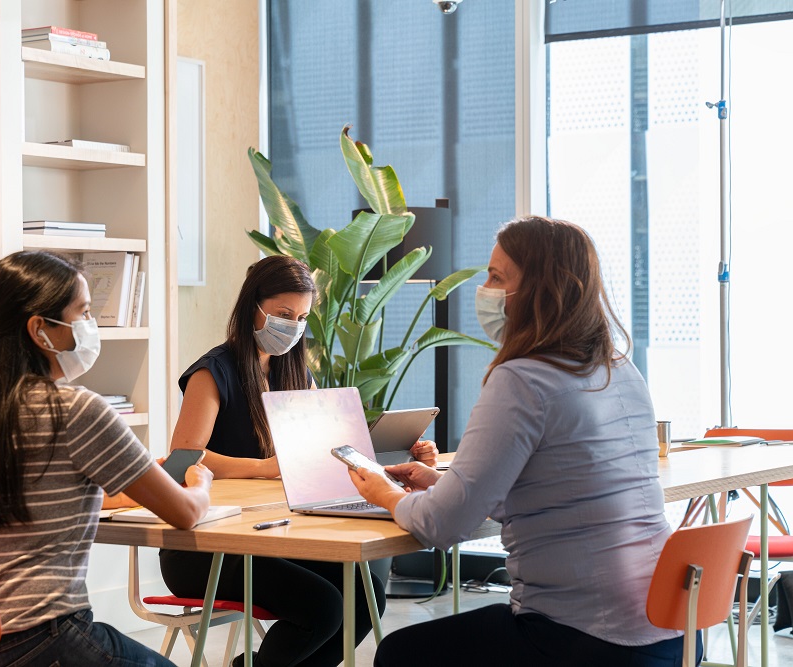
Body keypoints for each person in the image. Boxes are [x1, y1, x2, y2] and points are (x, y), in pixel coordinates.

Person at [351, 216, 694, 667]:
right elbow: (554, 487)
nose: (485, 288)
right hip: (668, 631)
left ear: (539, 289)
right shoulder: (618, 368)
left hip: (586, 638)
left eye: (497, 277)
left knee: (399, 653)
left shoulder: (523, 379)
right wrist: (441, 481)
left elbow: (442, 526)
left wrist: (387, 495)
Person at [0, 250, 213, 667]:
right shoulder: (75, 409)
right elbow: (186, 513)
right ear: (40, 330)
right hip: (39, 641)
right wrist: (200, 484)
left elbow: (32, 498)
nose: (88, 328)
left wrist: (137, 480)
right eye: (82, 314)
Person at [160, 254, 431, 667]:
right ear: (253, 305)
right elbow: (184, 459)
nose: (293, 326)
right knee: (321, 608)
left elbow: (323, 444)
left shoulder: (295, 371)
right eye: (284, 314)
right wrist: (264, 467)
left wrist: (395, 457)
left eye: (302, 317)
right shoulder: (212, 372)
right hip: (206, 548)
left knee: (364, 598)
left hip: (268, 536)